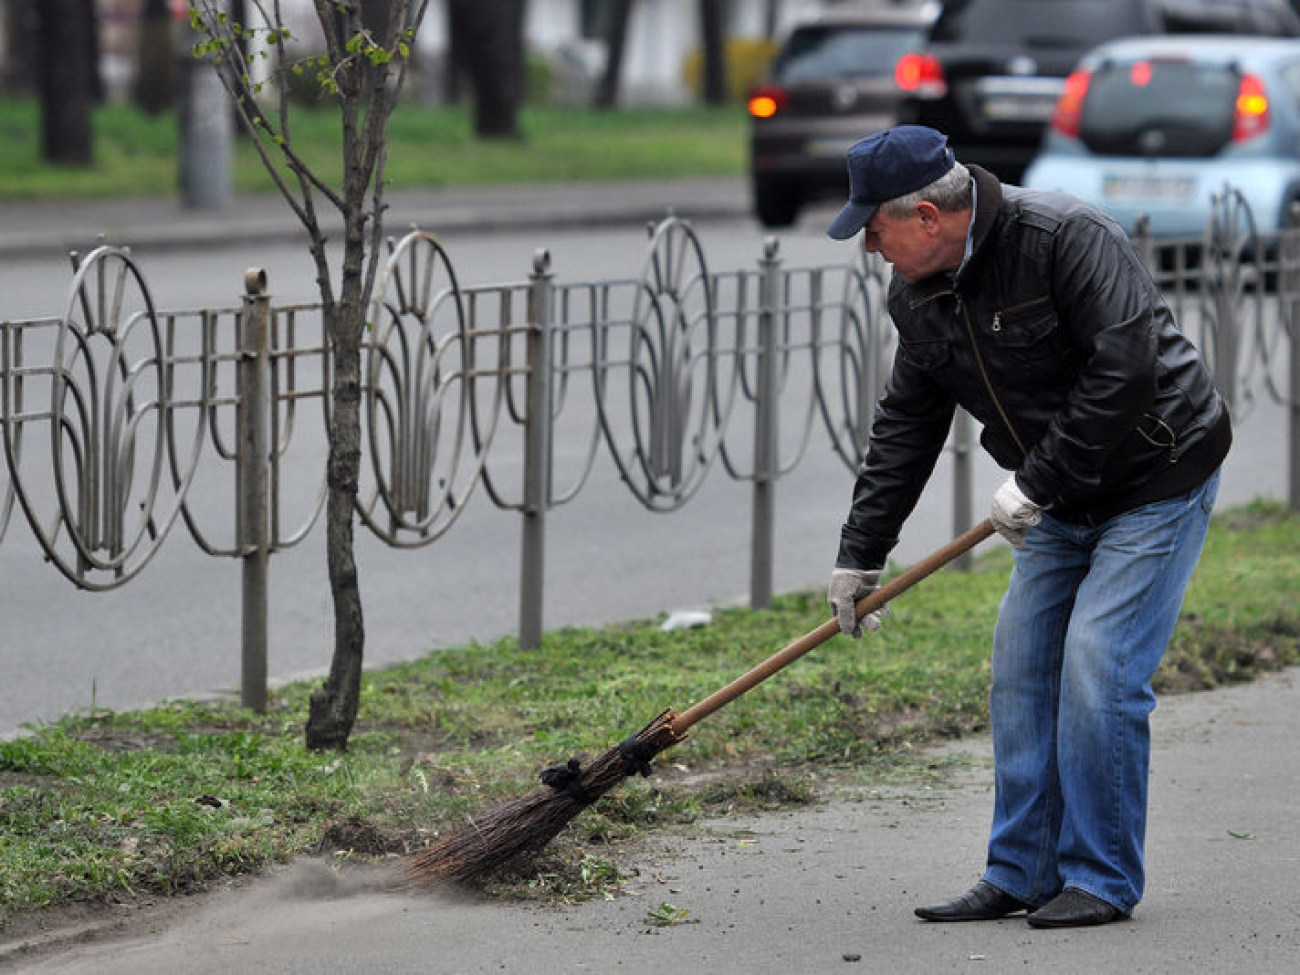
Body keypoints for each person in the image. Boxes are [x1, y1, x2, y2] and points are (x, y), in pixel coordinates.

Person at [824, 125, 1231, 928]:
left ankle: (1102, 876)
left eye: (874, 231)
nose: (870, 248)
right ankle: (1021, 869)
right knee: (1021, 673)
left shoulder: (1065, 238)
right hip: (1057, 496)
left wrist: (1035, 482)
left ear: (928, 219)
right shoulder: (918, 294)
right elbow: (907, 424)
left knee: (1097, 669)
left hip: (1157, 472)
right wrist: (861, 554)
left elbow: (1125, 371)